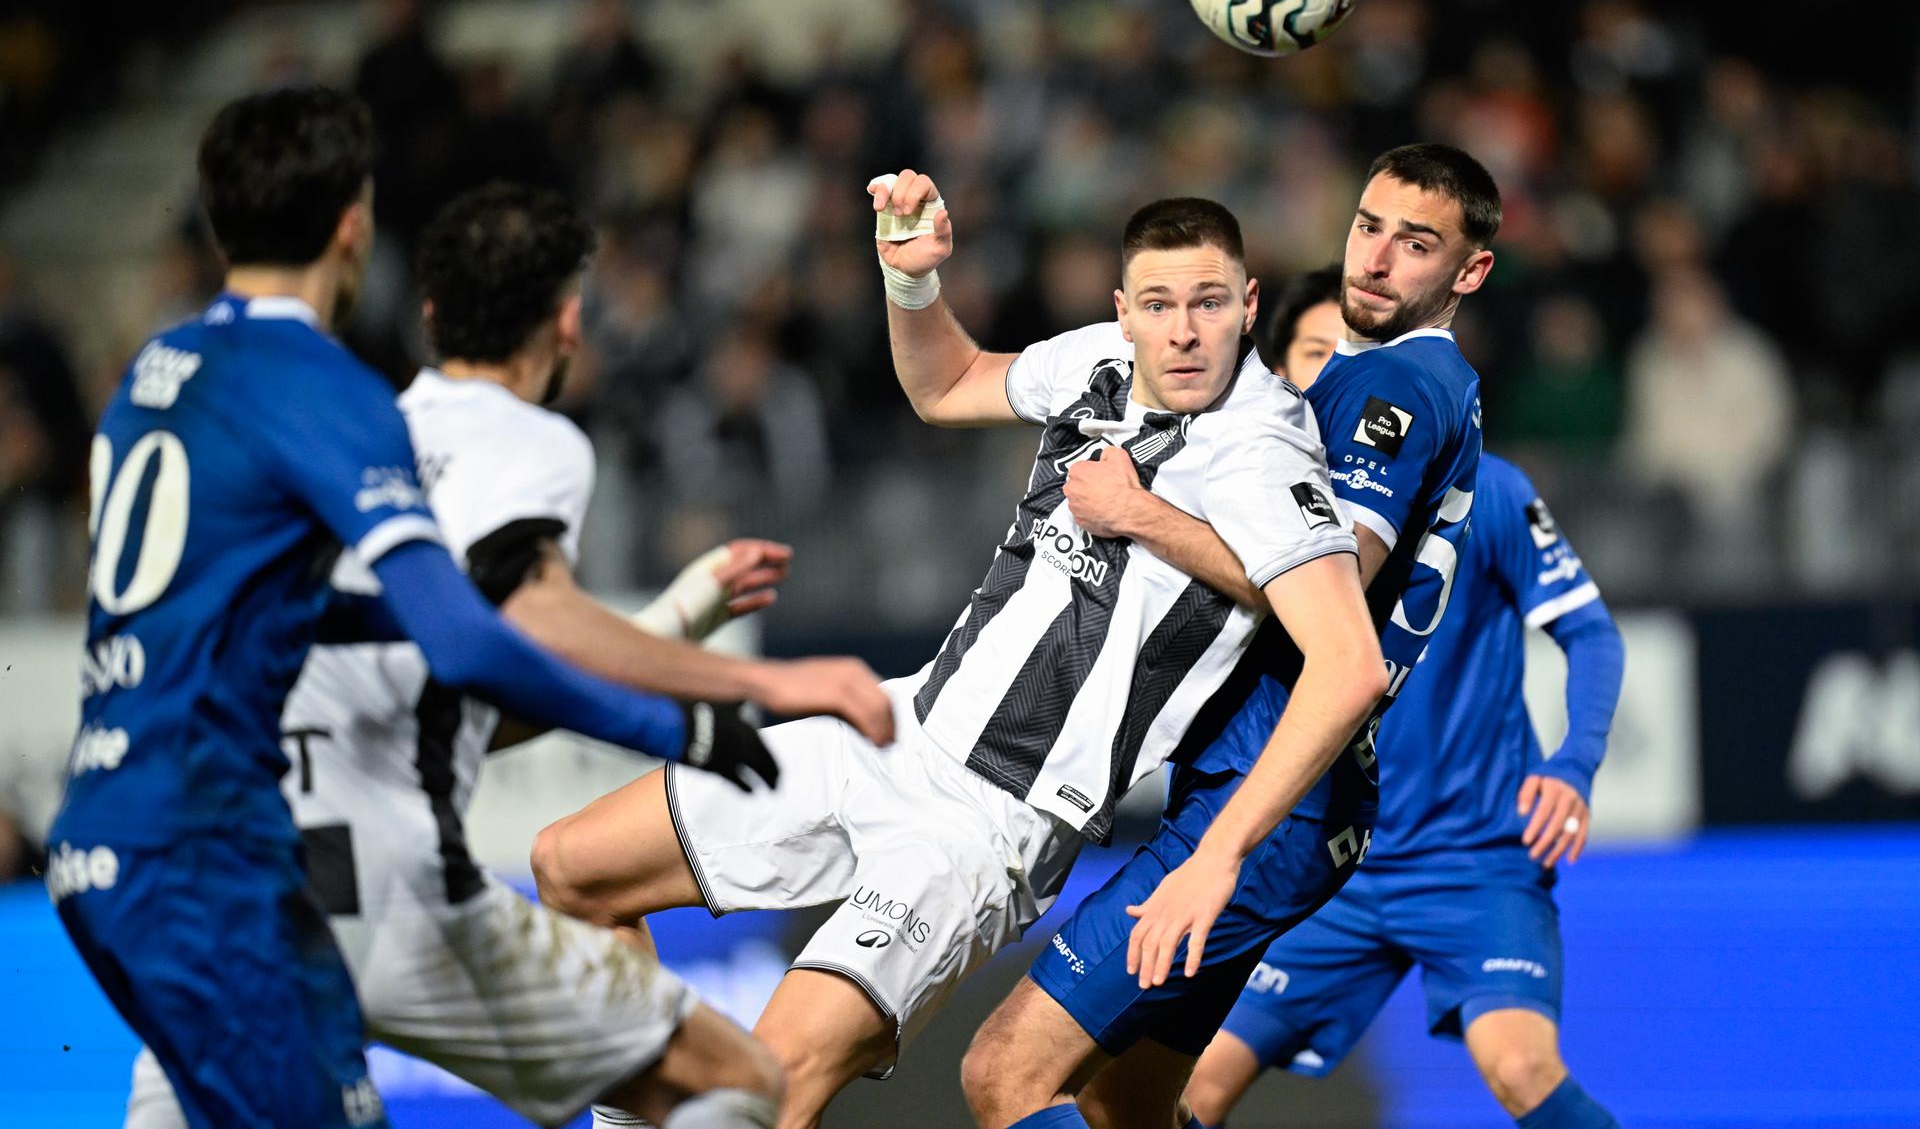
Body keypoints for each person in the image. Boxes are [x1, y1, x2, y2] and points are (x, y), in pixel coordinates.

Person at [531, 170, 1391, 1129]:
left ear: (1248, 305)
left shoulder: (1265, 449)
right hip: (902, 725)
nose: (1184, 330)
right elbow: (946, 384)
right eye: (1159, 304)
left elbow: (1349, 660)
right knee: (572, 865)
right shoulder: (1097, 361)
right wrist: (913, 286)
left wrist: (1219, 854)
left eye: (1208, 302)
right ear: (1124, 309)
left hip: (989, 825)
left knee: (768, 1092)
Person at [45, 87, 792, 1129]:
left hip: (107, 843)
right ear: (356, 222)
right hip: (232, 860)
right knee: (733, 1080)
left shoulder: (151, 377)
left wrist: (652, 632)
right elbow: (462, 640)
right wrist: (675, 720)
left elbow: (333, 619)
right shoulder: (326, 390)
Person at [960, 143, 1498, 1129]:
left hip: (1262, 810)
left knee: (1004, 1072)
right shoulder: (1396, 378)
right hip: (1295, 805)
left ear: (1468, 271)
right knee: (1126, 1103)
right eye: (1369, 226)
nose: (1376, 257)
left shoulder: (1397, 391)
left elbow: (1339, 589)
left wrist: (1137, 512)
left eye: (1416, 243)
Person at [1184, 271, 1626, 1129]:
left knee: (1522, 1070)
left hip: (1475, 858)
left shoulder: (1490, 489)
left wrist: (1574, 763)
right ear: (1284, 375)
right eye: (1318, 355)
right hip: (1328, 862)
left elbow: (1593, 634)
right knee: (1191, 1085)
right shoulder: (1260, 513)